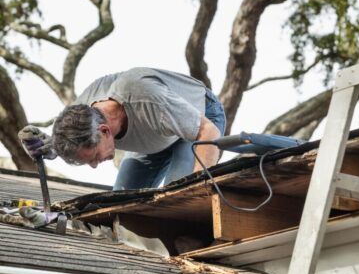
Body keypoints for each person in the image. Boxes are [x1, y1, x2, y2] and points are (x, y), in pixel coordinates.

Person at [19, 67, 226, 190]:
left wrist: (199, 191)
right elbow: (68, 142)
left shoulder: (146, 98)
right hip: (156, 133)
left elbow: (208, 132)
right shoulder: (80, 116)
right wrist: (48, 147)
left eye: (94, 157)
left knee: (180, 193)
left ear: (105, 131)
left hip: (200, 117)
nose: (94, 166)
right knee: (119, 203)